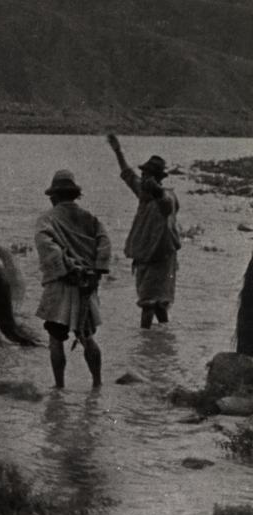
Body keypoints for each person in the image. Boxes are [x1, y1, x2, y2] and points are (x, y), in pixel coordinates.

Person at [34, 170, 111, 389]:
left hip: (61, 285)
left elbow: (47, 247)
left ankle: (59, 386)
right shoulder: (91, 219)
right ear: (75, 195)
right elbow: (105, 244)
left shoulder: (46, 219)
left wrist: (67, 268)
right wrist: (96, 271)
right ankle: (97, 384)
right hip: (86, 287)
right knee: (87, 337)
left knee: (55, 339)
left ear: (54, 196)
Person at [106, 134, 181, 329]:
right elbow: (127, 174)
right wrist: (117, 151)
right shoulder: (143, 193)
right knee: (156, 303)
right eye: (144, 174)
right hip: (147, 256)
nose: (144, 177)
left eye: (148, 175)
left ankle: (146, 339)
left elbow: (166, 204)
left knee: (150, 302)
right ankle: (162, 338)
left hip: (162, 256)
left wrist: (157, 192)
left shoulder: (167, 197)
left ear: (157, 179)